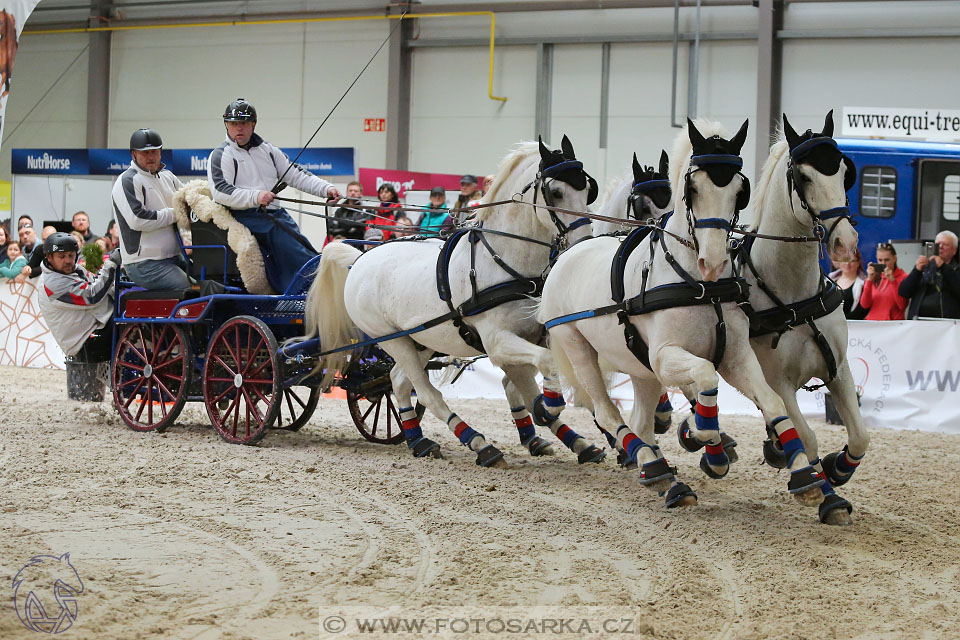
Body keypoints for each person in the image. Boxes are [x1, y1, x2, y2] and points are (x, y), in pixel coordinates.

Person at [207, 98, 340, 293]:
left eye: (243, 123)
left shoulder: (268, 151)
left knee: (304, 247)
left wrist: (326, 189)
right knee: (295, 252)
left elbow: (295, 174)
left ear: (253, 124)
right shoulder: (221, 155)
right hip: (247, 217)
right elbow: (220, 192)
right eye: (234, 124)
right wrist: (256, 196)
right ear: (226, 124)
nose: (239, 128)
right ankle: (306, 292)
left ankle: (314, 288)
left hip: (275, 214)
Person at [112, 127, 191, 291]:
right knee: (190, 289)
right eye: (144, 153)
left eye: (154, 151)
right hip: (143, 264)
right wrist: (176, 213)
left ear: (160, 153)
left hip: (175, 256)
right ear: (133, 154)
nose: (150, 156)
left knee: (208, 284)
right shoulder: (127, 180)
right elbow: (138, 219)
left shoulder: (168, 176)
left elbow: (188, 201)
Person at [36, 232, 120, 361]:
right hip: (86, 342)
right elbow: (92, 295)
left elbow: (98, 283)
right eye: (62, 256)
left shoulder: (75, 269)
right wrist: (112, 263)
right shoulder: (53, 284)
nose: (68, 260)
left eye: (71, 255)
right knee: (131, 319)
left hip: (97, 327)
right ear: (49, 257)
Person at [899, 230, 960, 319]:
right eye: (938, 244)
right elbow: (903, 292)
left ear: (954, 250)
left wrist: (943, 267)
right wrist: (916, 271)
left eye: (945, 244)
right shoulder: (924, 267)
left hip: (947, 325)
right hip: (919, 321)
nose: (941, 247)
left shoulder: (956, 269)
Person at [859, 241, 908, 320]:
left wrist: (893, 281)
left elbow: (902, 305)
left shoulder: (903, 277)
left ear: (894, 258)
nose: (883, 263)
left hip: (893, 325)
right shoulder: (875, 276)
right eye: (880, 260)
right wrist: (869, 280)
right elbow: (865, 304)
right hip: (873, 323)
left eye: (887, 260)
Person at [829, 250, 868, 320]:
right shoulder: (829, 281)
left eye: (852, 260)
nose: (847, 263)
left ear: (858, 262)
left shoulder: (864, 284)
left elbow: (862, 310)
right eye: (844, 260)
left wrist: (843, 321)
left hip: (853, 326)